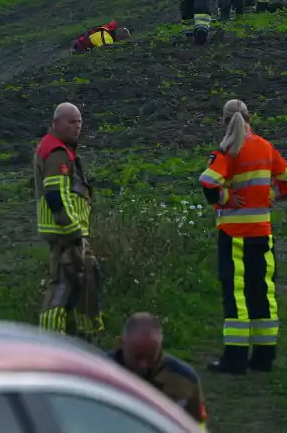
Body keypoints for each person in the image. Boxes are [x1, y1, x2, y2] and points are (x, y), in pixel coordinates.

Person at [198, 99, 287, 375]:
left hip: (233, 236)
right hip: (262, 234)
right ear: (250, 118)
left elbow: (207, 182)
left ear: (224, 121)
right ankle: (264, 358)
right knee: (264, 294)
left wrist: (227, 197)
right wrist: (270, 195)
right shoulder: (266, 147)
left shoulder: (226, 151)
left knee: (236, 295)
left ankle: (235, 359)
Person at [33, 102, 105, 341]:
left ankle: (85, 336)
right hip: (65, 233)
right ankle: (51, 340)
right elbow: (55, 195)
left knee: (85, 281)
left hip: (67, 232)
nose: (77, 127)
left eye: (79, 122)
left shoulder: (59, 148)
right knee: (62, 287)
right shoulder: (57, 153)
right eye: (71, 122)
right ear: (56, 123)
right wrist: (74, 230)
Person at [108, 312, 210, 429]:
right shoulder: (100, 375)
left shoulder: (184, 380)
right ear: (122, 344)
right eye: (137, 357)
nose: (144, 365)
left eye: (151, 357)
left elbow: (197, 426)